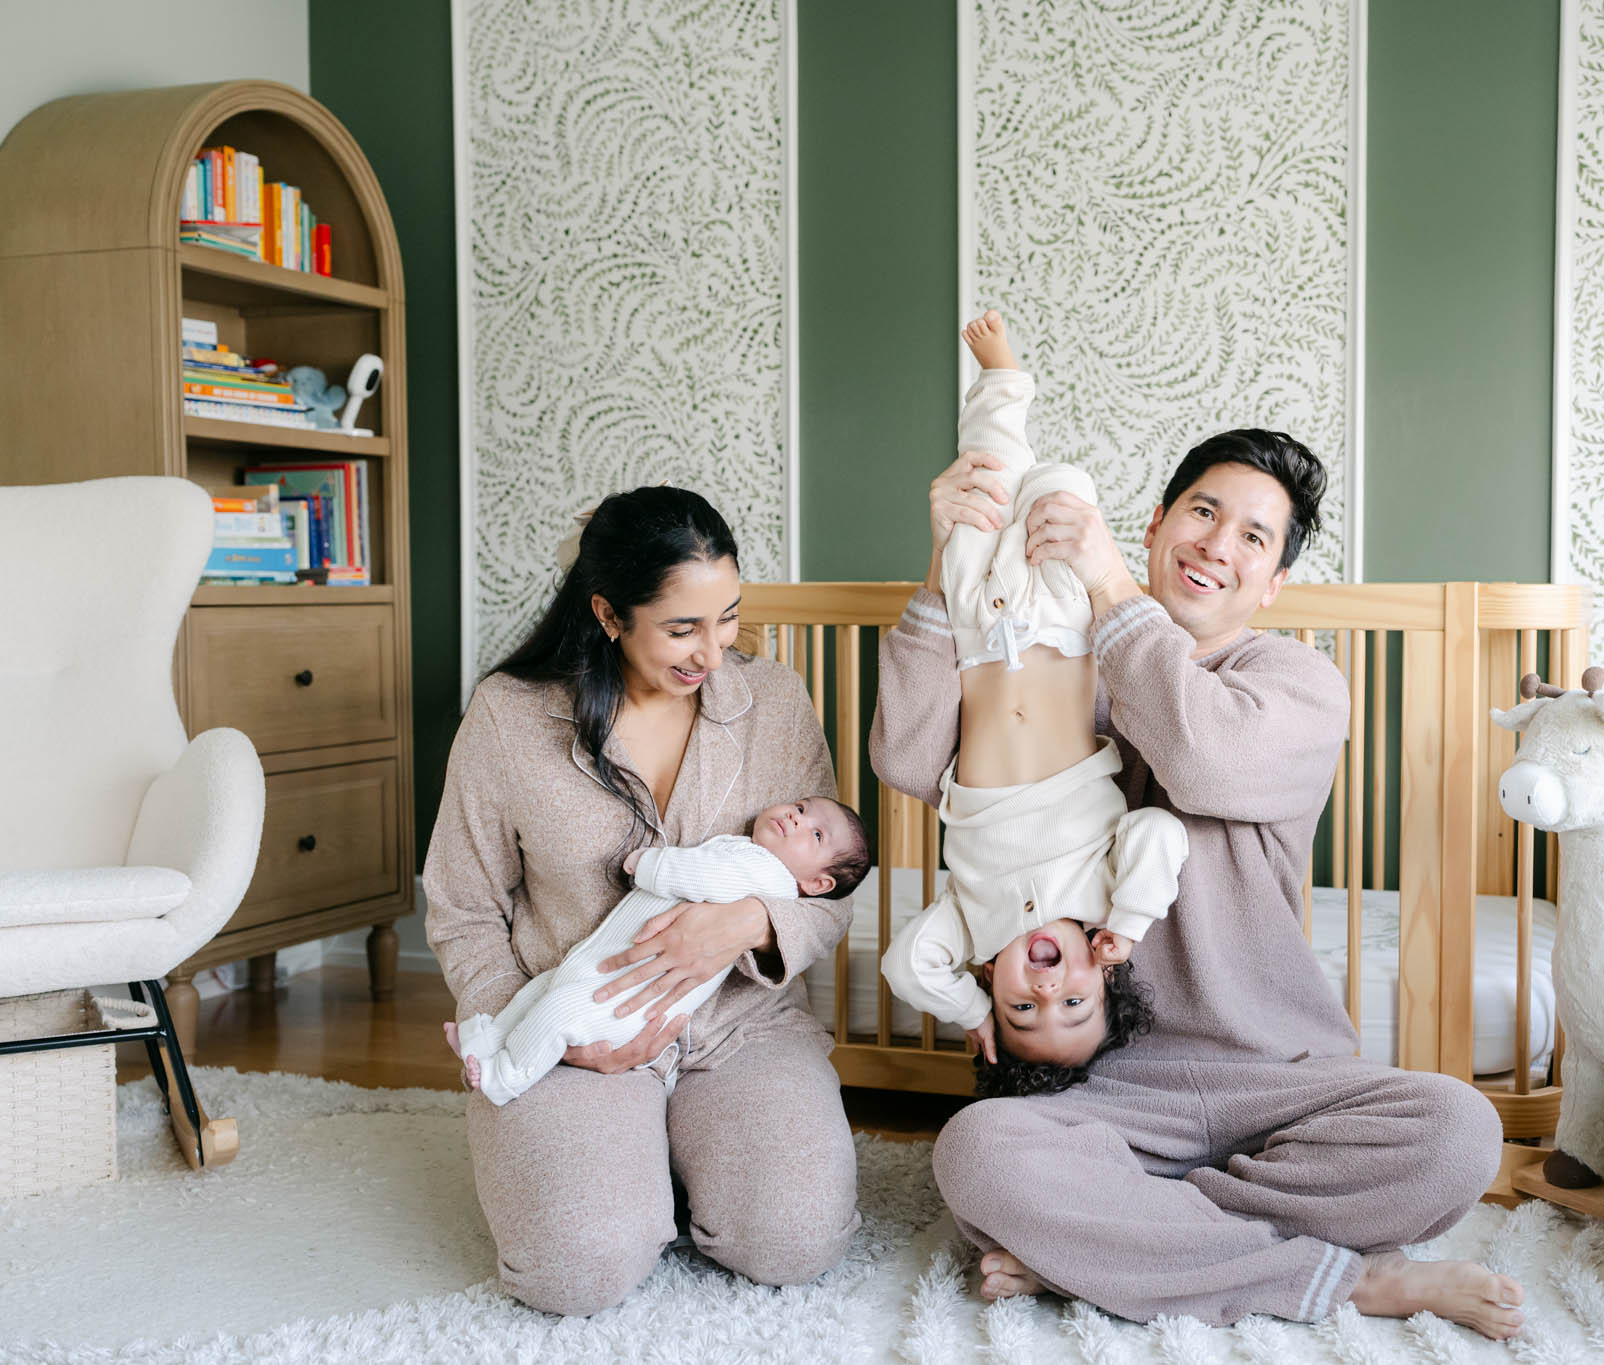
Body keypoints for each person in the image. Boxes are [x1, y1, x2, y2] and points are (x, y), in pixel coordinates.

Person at [871, 425, 1526, 1339]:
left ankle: (1119, 1244)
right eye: (1204, 512)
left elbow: (1202, 757)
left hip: (1275, 1076)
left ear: (1274, 580)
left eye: (1253, 536)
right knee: (978, 1154)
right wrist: (947, 568)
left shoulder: (1296, 681)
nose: (1218, 544)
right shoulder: (1066, 666)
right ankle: (1339, 1279)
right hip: (1105, 1087)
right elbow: (907, 759)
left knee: (1459, 1132)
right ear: (1156, 524)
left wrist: (1111, 587)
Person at [424, 486, 861, 1315]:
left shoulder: (774, 701)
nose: (714, 653)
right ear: (609, 613)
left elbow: (829, 889)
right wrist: (534, 1026)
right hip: (570, 1025)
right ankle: (618, 1160)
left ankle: (683, 1155)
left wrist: (747, 923)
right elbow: (462, 906)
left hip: (739, 1027)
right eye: (683, 628)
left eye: (728, 618)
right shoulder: (510, 716)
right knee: (574, 1269)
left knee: (793, 1238)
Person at [880, 312, 1187, 1089]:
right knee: (1061, 488)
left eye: (1022, 1010)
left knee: (984, 487)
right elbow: (1158, 832)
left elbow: (906, 965)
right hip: (1060, 632)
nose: (1047, 991)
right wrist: (1128, 923)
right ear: (1103, 972)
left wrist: (969, 1011)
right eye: (1075, 1002)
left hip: (977, 635)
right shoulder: (1106, 899)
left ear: (992, 980)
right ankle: (1012, 393)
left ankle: (1000, 379)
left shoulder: (969, 930)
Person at [447, 796, 870, 1105]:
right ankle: (487, 1039)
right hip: (605, 965)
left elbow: (705, 877)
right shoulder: (749, 852)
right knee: (543, 991)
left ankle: (506, 1077)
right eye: (801, 807)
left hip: (627, 1001)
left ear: (817, 884)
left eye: (816, 833)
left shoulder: (770, 876)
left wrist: (651, 865)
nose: (796, 818)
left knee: (557, 1011)